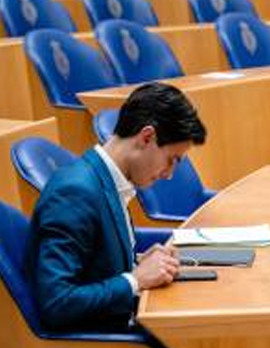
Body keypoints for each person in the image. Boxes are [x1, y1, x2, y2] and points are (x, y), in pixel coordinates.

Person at [26, 82, 205, 332]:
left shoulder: (109, 179)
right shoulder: (75, 192)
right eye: (171, 159)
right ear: (147, 137)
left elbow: (94, 263)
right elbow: (56, 302)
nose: (169, 175)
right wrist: (135, 279)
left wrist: (139, 262)